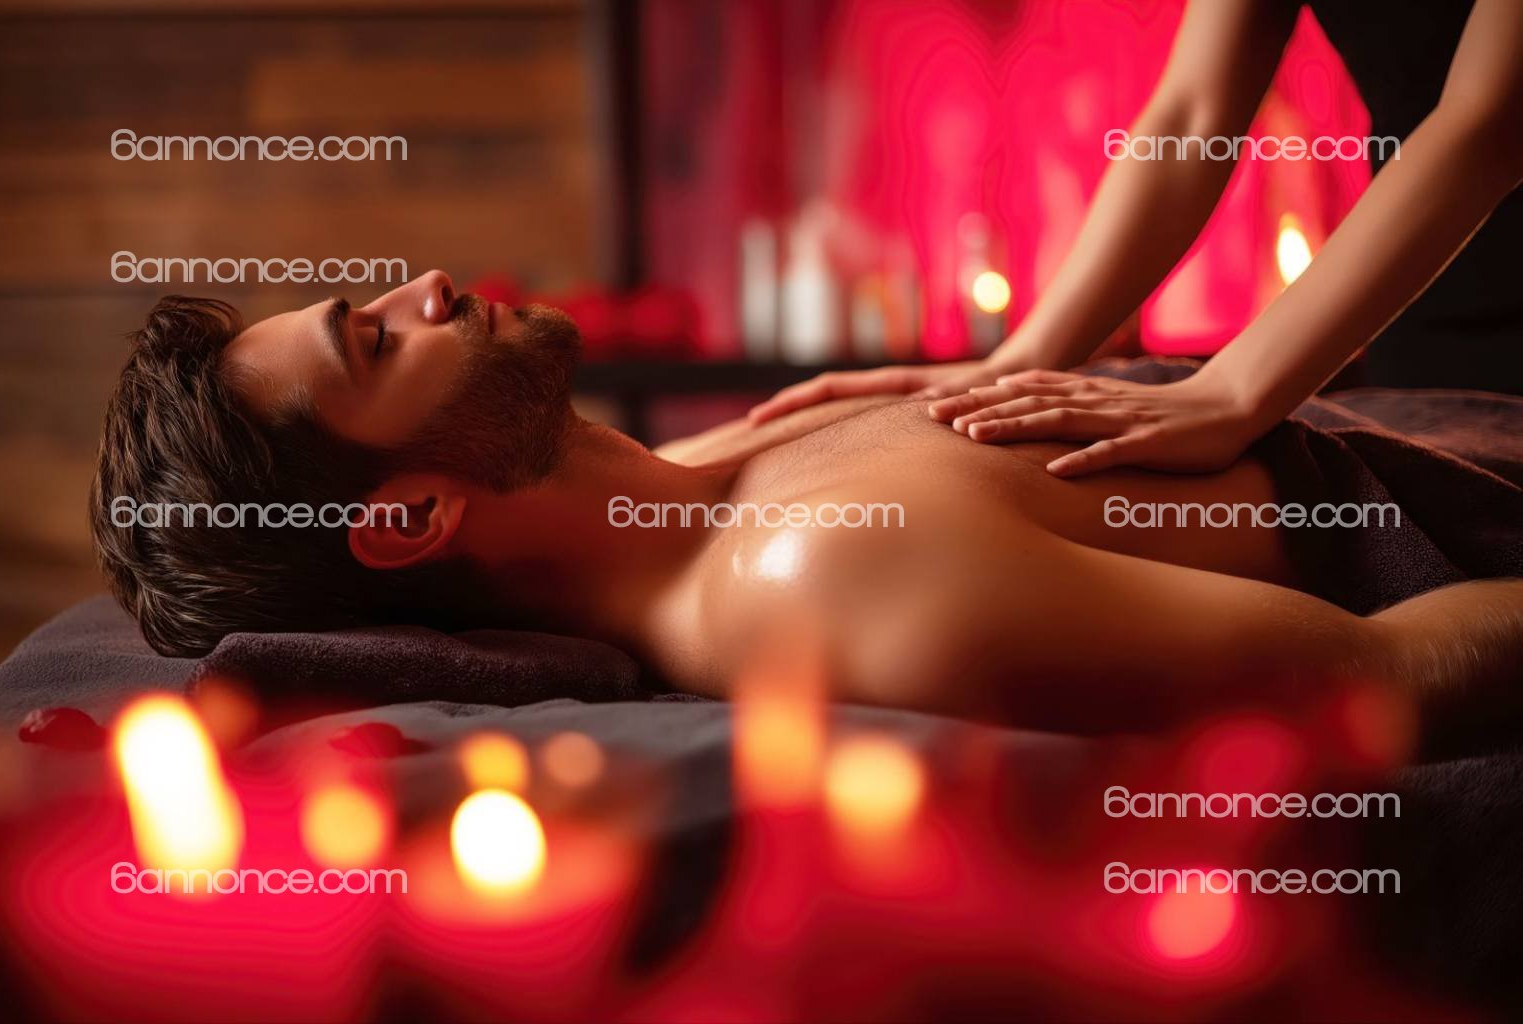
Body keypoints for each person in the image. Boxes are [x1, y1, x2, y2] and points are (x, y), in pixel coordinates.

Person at [91, 272, 1523, 735]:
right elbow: (1389, 679)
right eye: (375, 340)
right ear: (407, 519)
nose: (429, 288)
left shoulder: (706, 470)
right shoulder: (820, 579)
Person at [748, 0, 1523, 478]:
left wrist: (1230, 392)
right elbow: (1192, 114)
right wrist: (1022, 359)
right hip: (1423, 342)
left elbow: (1490, 119)